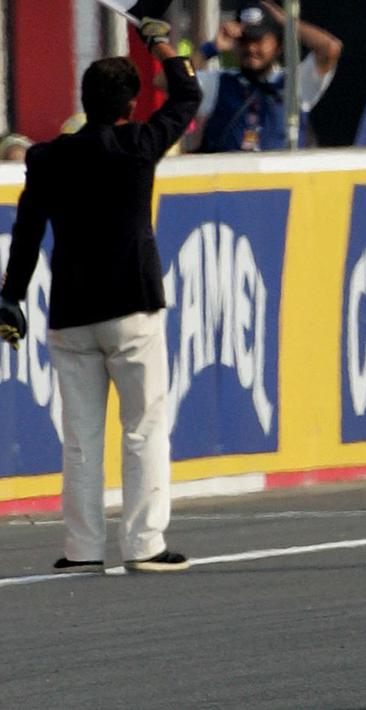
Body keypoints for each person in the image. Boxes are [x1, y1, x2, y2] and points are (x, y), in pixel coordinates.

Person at [0, 18, 200, 574]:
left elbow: (28, 232)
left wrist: (10, 296)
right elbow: (188, 93)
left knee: (81, 439)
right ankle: (144, 544)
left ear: (84, 102)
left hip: (72, 311)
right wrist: (161, 42)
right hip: (132, 306)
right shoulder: (139, 144)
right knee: (143, 428)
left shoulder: (46, 159)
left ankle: (83, 549)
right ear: (131, 105)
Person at [191, 1, 342, 152]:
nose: (251, 48)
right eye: (244, 40)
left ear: (278, 46)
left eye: (258, 40)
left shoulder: (294, 83)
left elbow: (330, 48)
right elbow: (173, 81)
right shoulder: (219, 82)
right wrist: (210, 48)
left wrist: (286, 22)